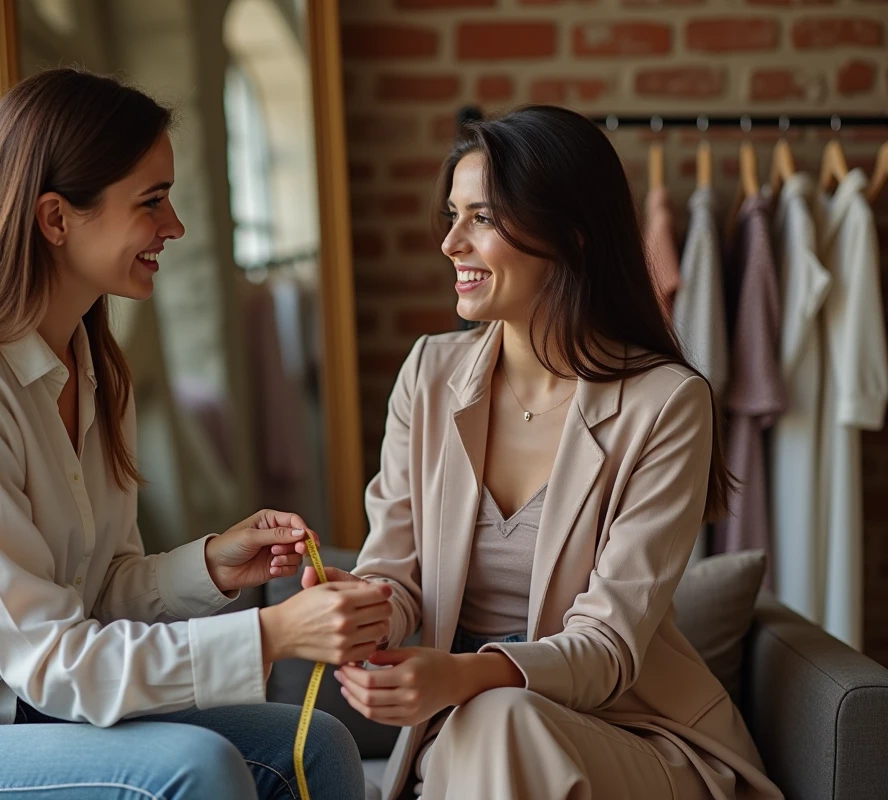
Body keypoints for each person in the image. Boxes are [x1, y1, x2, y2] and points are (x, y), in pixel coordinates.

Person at [0, 68, 386, 800]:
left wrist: (212, 567)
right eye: (152, 202)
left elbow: (94, 595)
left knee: (317, 744)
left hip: (23, 718)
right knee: (193, 771)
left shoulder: (94, 370)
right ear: (56, 219)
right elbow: (50, 658)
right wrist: (272, 636)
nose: (175, 228)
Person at [301, 106, 782, 799]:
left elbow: (609, 647)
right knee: (487, 721)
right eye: (452, 215)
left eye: (484, 219)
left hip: (629, 735)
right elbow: (398, 578)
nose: (451, 244)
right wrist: (364, 604)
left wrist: (465, 676)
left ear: (574, 237)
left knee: (495, 716)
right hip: (470, 735)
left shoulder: (668, 403)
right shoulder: (429, 375)